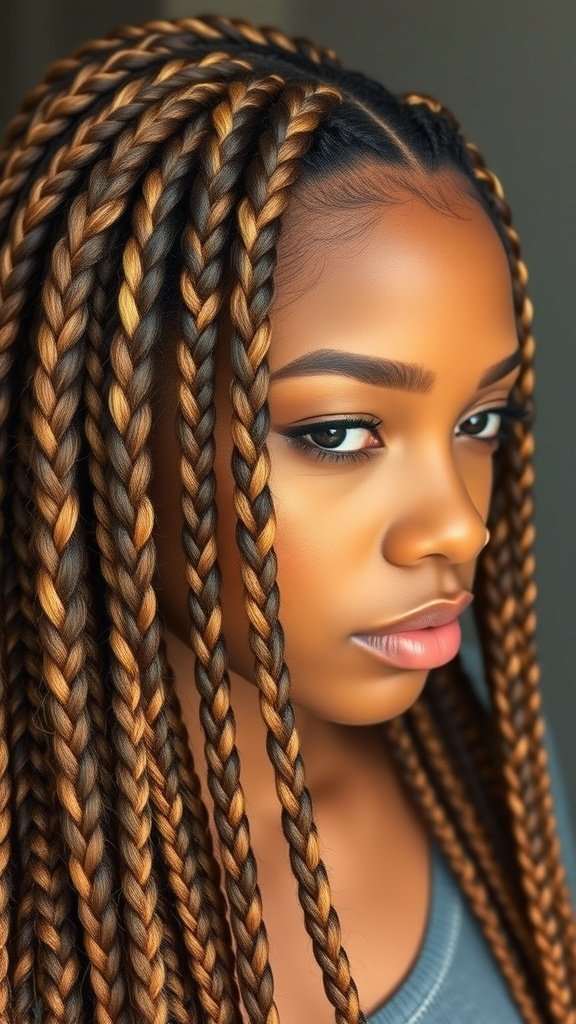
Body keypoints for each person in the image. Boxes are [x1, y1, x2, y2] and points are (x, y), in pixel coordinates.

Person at [0, 13, 574, 1024]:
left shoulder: (479, 743)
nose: (457, 528)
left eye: (482, 419)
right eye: (344, 432)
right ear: (104, 426)